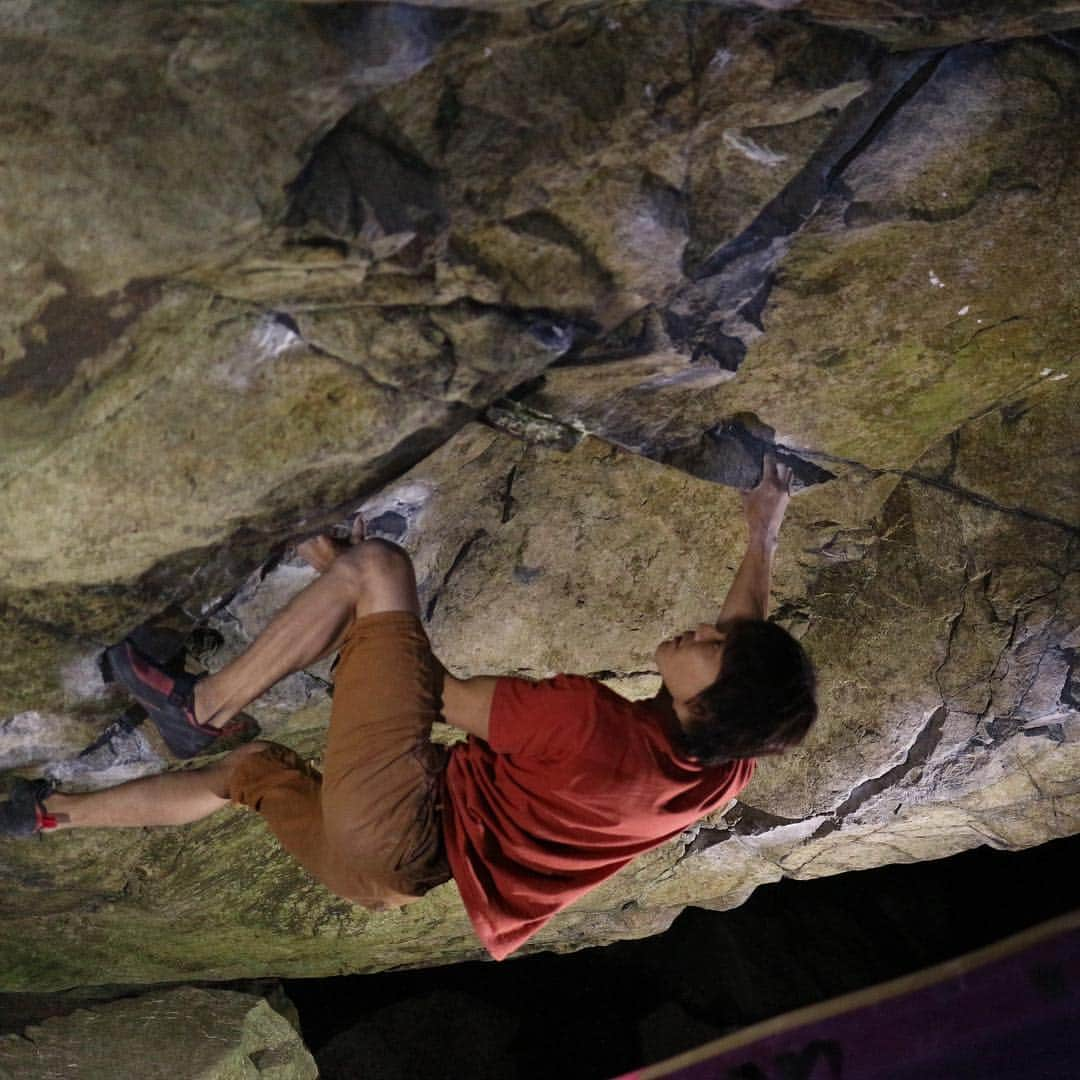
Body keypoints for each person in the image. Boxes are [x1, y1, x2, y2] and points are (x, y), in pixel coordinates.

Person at [0, 454, 816, 960]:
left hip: (395, 816)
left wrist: (344, 578)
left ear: (708, 702)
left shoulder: (587, 726)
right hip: (391, 877)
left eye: (710, 646)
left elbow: (429, 690)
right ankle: (49, 815)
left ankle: (201, 705)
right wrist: (761, 533)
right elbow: (746, 639)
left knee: (381, 571)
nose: (702, 629)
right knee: (247, 775)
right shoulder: (723, 766)